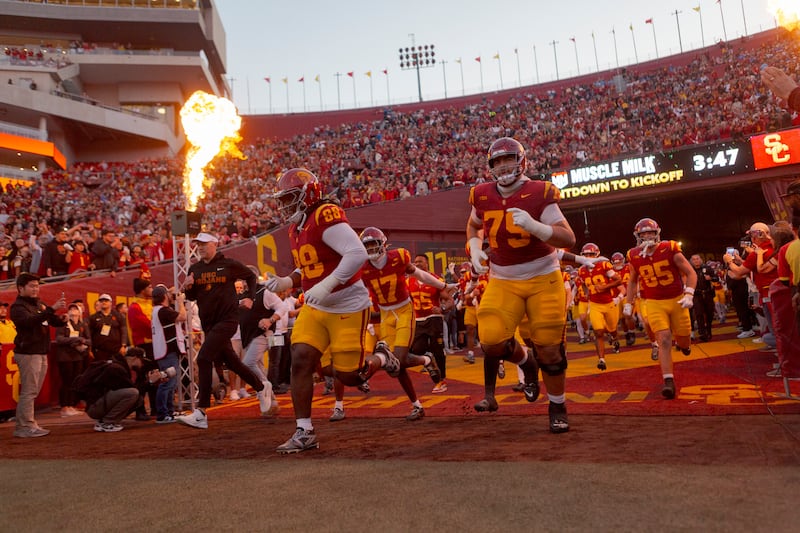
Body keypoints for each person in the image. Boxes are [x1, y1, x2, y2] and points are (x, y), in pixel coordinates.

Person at [265, 168, 400, 453]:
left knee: (350, 376)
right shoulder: (297, 228)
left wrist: (326, 286)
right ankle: (304, 431)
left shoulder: (325, 214)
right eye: (282, 199)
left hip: (347, 305)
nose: (284, 205)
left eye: (290, 197)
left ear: (308, 195)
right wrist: (290, 280)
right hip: (316, 307)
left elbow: (356, 253)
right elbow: (312, 264)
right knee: (300, 359)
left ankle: (381, 357)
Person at [466, 137, 577, 433]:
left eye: (508, 159)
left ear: (522, 160)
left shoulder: (540, 191)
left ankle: (557, 404)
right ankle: (527, 362)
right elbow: (474, 224)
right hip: (503, 278)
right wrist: (474, 247)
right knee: (491, 341)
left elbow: (568, 238)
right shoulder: (481, 194)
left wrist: (537, 227)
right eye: (497, 161)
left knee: (551, 349)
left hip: (544, 277)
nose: (503, 166)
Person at [176, 232, 273, 429]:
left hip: (228, 320)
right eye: (198, 245)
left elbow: (251, 276)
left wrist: (250, 298)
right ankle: (262, 386)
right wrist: (187, 288)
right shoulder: (195, 268)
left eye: (204, 244)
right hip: (208, 324)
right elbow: (193, 296)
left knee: (203, 358)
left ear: (214, 244)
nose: (200, 248)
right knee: (233, 363)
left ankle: (201, 412)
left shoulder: (228, 264)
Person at [359, 227, 443, 420]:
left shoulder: (399, 256)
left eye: (373, 244)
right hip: (386, 315)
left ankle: (427, 359)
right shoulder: (362, 267)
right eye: (367, 245)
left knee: (399, 358)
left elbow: (419, 274)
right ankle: (417, 404)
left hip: (404, 310)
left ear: (382, 244)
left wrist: (442, 285)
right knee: (396, 366)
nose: (371, 249)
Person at [623, 218, 697, 399]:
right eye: (643, 234)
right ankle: (668, 381)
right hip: (654, 302)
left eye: (649, 233)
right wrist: (628, 302)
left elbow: (690, 272)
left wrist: (689, 293)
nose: (647, 236)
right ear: (637, 236)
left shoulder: (670, 248)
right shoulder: (633, 255)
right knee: (663, 339)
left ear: (657, 233)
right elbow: (633, 280)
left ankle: (684, 345)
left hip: (677, 300)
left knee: (684, 339)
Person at [10, 272, 67, 437]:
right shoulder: (18, 307)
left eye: (37, 285)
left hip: (40, 351)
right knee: (29, 391)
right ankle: (24, 426)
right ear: (21, 288)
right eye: (32, 286)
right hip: (28, 353)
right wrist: (51, 309)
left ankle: (28, 423)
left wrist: (61, 319)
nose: (36, 289)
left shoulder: (38, 304)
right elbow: (30, 322)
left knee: (32, 391)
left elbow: (50, 320)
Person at [724, 223, 779, 340]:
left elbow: (740, 272)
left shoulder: (759, 252)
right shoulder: (776, 248)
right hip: (780, 289)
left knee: (775, 331)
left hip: (768, 292)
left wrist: (729, 261)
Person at [407, 253, 453, 394]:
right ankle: (428, 360)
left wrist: (442, 308)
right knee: (415, 349)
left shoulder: (435, 279)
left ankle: (441, 380)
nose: (417, 264)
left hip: (433, 318)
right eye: (415, 262)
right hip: (418, 320)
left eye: (420, 261)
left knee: (438, 349)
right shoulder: (408, 281)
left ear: (427, 264)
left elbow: (449, 300)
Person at [576, 243, 622, 371]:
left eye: (591, 254)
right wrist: (587, 293)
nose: (589, 257)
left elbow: (619, 280)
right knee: (598, 331)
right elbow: (584, 284)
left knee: (612, 330)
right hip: (595, 304)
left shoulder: (604, 265)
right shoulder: (581, 270)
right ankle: (601, 359)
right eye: (586, 255)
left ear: (597, 254)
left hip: (609, 303)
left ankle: (615, 339)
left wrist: (605, 287)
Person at [238, 278, 281, 416]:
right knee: (260, 367)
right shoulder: (242, 296)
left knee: (248, 363)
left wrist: (270, 320)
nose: (243, 284)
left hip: (263, 334)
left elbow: (282, 307)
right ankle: (272, 404)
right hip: (247, 337)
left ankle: (263, 387)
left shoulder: (264, 292)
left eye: (244, 280)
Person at [81, 348, 149, 432]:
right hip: (95, 407)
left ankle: (103, 421)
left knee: (137, 399)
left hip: (95, 405)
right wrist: (150, 381)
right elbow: (133, 390)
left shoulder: (117, 365)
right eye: (142, 361)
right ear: (135, 358)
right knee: (133, 393)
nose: (142, 364)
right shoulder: (117, 368)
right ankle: (107, 423)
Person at [151, 284, 185, 423]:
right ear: (164, 296)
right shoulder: (163, 311)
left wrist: (174, 293)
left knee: (170, 384)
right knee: (167, 384)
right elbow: (182, 316)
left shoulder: (158, 310)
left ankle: (169, 412)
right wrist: (181, 302)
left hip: (165, 351)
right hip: (167, 352)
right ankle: (162, 414)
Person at [54, 303, 91, 417]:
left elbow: (89, 340)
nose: (73, 310)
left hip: (78, 357)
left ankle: (71, 405)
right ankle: (64, 406)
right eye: (71, 308)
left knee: (75, 381)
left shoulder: (82, 324)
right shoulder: (64, 323)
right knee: (67, 381)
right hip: (65, 357)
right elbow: (59, 339)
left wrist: (82, 342)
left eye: (76, 309)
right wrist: (76, 340)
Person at [128, 277, 157, 417]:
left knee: (154, 377)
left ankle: (155, 407)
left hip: (153, 344)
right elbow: (147, 325)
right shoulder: (134, 307)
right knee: (143, 379)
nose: (151, 289)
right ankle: (139, 409)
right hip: (143, 346)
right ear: (142, 290)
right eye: (149, 287)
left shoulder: (149, 304)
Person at [89, 294, 129, 361]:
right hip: (100, 351)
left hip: (116, 349)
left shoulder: (118, 316)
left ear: (111, 303)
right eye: (101, 301)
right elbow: (90, 334)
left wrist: (123, 346)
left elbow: (123, 331)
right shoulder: (93, 317)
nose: (103, 302)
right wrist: (90, 350)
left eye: (106, 301)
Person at [689, 254, 718, 342]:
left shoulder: (708, 268)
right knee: (699, 313)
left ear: (700, 259)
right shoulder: (690, 270)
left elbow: (716, 278)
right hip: (696, 294)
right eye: (694, 259)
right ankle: (702, 333)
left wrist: (711, 278)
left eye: (697, 259)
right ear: (691, 261)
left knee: (709, 313)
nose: (696, 261)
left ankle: (708, 330)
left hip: (708, 293)